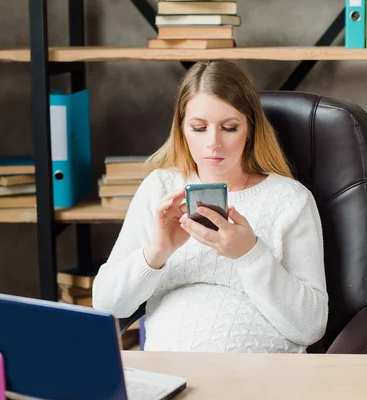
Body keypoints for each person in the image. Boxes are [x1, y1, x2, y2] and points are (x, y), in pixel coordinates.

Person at [92, 60, 328, 353]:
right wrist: (157, 253)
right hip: (173, 379)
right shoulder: (161, 189)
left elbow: (310, 326)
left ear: (251, 129)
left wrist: (249, 254)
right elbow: (106, 305)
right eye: (199, 128)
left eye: (229, 128)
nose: (213, 143)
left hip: (261, 379)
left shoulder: (290, 199)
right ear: (182, 130)